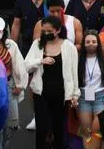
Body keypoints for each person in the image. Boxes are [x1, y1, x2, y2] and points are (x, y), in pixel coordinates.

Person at [24, 16, 79, 149]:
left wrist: (75, 95)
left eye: (50, 31)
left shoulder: (69, 47)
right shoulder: (37, 44)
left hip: (61, 94)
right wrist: (40, 61)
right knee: (42, 129)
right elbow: (26, 65)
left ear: (58, 30)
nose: (46, 34)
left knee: (59, 129)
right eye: (44, 31)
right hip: (41, 93)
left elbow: (73, 73)